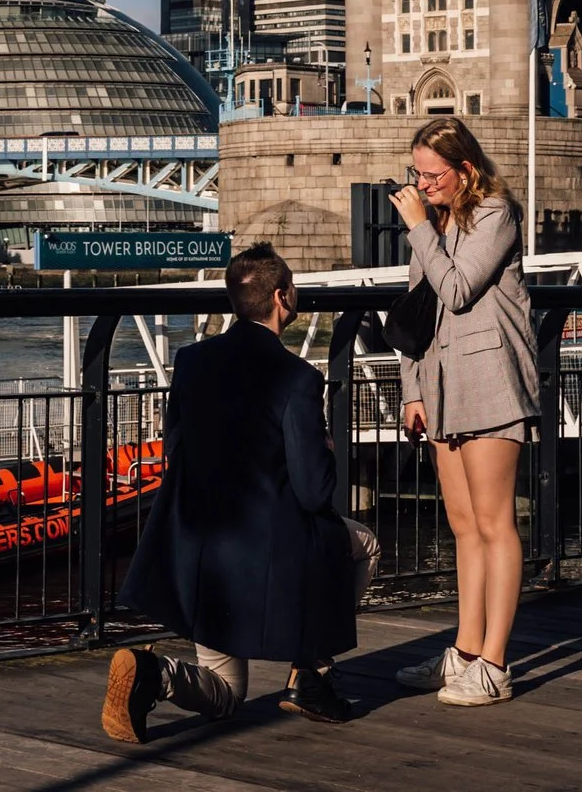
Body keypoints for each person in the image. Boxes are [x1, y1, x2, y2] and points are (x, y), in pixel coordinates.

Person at [106, 243, 381, 741]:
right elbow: (314, 491)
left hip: (199, 549)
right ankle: (311, 674)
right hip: (267, 555)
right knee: (364, 543)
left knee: (226, 694)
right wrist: (326, 447)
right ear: (281, 298)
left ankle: (156, 675)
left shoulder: (191, 362)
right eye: (293, 287)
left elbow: (174, 448)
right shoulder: (298, 378)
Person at [388, 116, 535, 706]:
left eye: (431, 175)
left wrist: (422, 229)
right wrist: (412, 390)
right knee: (462, 523)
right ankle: (465, 651)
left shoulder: (495, 215)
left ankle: (494, 664)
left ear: (464, 169)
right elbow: (416, 312)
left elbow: (457, 289)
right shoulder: (434, 221)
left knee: (495, 523)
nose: (421, 185)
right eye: (416, 175)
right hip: (440, 384)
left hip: (490, 380)